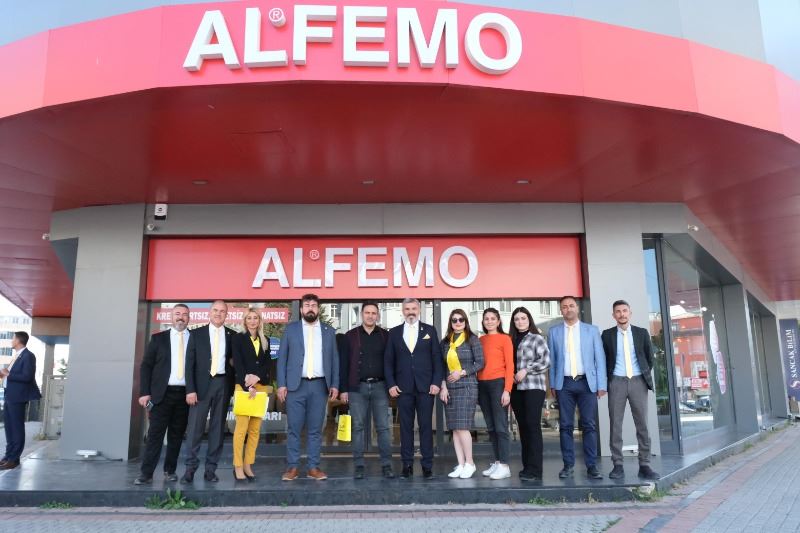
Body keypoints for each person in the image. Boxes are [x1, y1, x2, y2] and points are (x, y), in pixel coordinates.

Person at [277, 294, 339, 481]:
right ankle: (292, 467)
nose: (310, 308)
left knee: (315, 429)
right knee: (294, 429)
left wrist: (335, 384)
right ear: (301, 309)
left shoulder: (329, 331)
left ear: (318, 309)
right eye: (307, 305)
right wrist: (281, 384)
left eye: (313, 305)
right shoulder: (291, 329)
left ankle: (313, 467)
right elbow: (282, 359)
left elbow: (335, 360)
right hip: (295, 386)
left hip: (320, 386)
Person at [548, 296, 607, 480]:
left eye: (571, 305)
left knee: (589, 425)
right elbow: (552, 361)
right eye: (564, 307)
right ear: (561, 310)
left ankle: (592, 466)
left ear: (577, 308)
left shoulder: (592, 330)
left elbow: (600, 359)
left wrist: (601, 384)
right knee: (565, 426)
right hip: (564, 383)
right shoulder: (554, 332)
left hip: (587, 383)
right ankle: (568, 465)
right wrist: (553, 384)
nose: (568, 309)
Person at [385, 298, 443, 480]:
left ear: (419, 310)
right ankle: (407, 465)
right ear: (403, 311)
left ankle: (427, 466)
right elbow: (388, 361)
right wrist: (391, 384)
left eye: (413, 308)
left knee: (426, 427)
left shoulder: (430, 330)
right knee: (405, 428)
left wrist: (436, 382)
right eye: (407, 309)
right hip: (403, 388)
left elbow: (437, 359)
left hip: (426, 387)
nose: (410, 312)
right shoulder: (394, 333)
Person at [602, 300, 660, 481]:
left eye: (624, 310)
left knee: (642, 424)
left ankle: (645, 465)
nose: (622, 314)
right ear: (613, 315)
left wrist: (641, 376)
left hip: (638, 381)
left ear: (630, 313)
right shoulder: (607, 335)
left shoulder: (641, 333)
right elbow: (604, 359)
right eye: (618, 311)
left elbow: (649, 359)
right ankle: (617, 465)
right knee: (615, 425)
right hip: (616, 382)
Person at [135, 304, 191, 484]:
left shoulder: (195, 339)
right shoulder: (158, 339)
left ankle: (170, 470)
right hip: (161, 395)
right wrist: (145, 392)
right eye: (177, 314)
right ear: (171, 317)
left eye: (184, 314)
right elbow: (146, 366)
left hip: (185, 395)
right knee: (155, 436)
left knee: (176, 436)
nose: (181, 317)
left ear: (189, 318)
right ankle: (146, 473)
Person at [181, 300, 235, 484]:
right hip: (200, 386)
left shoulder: (232, 335)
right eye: (215, 310)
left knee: (217, 430)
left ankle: (211, 470)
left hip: (223, 384)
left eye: (222, 311)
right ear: (209, 312)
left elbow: (235, 363)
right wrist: (190, 390)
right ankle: (190, 469)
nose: (218, 313)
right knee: (195, 429)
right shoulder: (196, 334)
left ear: (226, 314)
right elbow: (189, 365)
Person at [340, 302, 395, 479]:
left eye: (373, 313)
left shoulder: (385, 336)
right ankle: (359, 465)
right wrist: (343, 389)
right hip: (357, 388)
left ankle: (386, 465)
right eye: (367, 312)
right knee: (358, 427)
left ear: (378, 315)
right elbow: (344, 364)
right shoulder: (350, 336)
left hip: (380, 387)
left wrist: (392, 384)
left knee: (383, 428)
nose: (370, 316)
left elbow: (392, 362)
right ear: (361, 314)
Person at [439, 309, 484, 479]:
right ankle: (461, 464)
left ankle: (470, 463)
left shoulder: (472, 339)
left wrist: (462, 373)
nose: (458, 323)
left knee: (463, 427)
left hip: (467, 387)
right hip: (450, 388)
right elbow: (442, 367)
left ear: (465, 321)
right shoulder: (445, 342)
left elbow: (480, 363)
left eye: (461, 320)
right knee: (455, 428)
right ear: (450, 323)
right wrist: (443, 386)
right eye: (454, 320)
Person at [509, 307, 550, 481]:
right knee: (523, 428)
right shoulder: (510, 339)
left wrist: (526, 370)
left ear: (529, 319)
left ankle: (536, 470)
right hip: (516, 389)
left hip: (533, 387)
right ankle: (527, 467)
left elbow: (546, 360)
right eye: (517, 319)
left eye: (523, 318)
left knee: (532, 427)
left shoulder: (536, 338)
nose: (520, 322)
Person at [231, 308, 271, 482]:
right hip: (243, 386)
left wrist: (257, 378)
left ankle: (248, 464)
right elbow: (238, 363)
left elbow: (267, 365)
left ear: (260, 321)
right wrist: (248, 385)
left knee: (254, 430)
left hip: (260, 388)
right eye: (249, 318)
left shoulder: (265, 340)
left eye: (256, 318)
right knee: (241, 430)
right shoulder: (238, 338)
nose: (253, 321)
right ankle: (238, 466)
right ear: (245, 321)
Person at [478, 308, 514, 480]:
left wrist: (507, 390)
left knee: (501, 427)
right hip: (482, 385)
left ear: (498, 321)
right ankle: (498, 462)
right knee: (491, 427)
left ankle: (505, 466)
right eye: (486, 318)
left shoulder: (505, 339)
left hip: (498, 384)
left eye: (493, 318)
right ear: (483, 322)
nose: (490, 321)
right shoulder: (480, 340)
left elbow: (510, 366)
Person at [0, 331, 41, 470]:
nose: (11, 341)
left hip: (18, 397)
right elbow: (12, 375)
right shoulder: (16, 356)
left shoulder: (28, 356)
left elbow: (27, 376)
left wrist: (8, 374)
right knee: (9, 428)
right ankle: (8, 457)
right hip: (9, 395)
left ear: (18, 340)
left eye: (13, 339)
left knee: (16, 428)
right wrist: (3, 374)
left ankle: (14, 459)